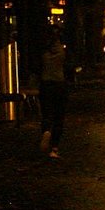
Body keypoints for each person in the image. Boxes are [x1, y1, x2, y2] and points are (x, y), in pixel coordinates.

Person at [37, 29, 70, 158]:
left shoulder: (43, 53)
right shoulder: (63, 53)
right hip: (59, 85)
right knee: (59, 117)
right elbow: (69, 68)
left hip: (46, 85)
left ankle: (46, 130)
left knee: (46, 113)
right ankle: (54, 148)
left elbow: (37, 68)